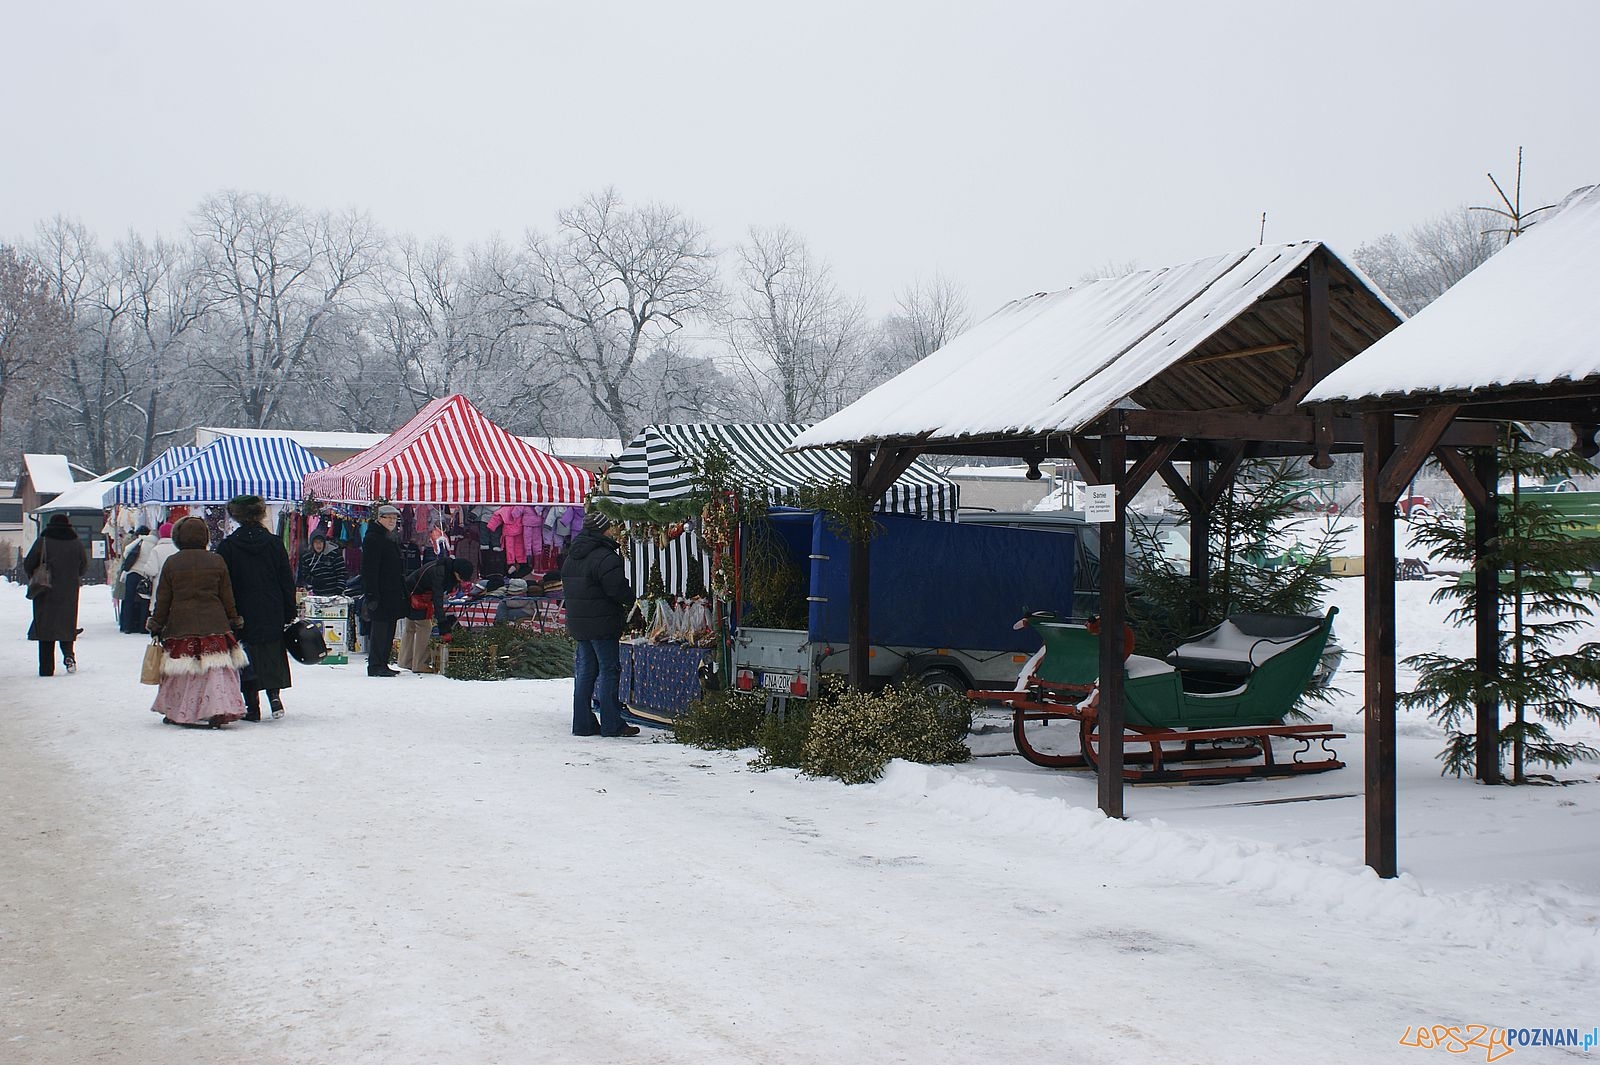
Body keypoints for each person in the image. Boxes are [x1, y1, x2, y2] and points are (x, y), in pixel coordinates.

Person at [147, 515, 247, 728]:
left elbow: (163, 598)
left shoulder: (172, 562)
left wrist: (156, 623)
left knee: (183, 670)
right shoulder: (216, 560)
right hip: (214, 623)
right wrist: (234, 619)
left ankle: (179, 710)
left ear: (178, 537)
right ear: (204, 536)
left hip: (180, 624)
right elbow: (227, 596)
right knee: (214, 671)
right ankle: (217, 709)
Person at [216, 495, 298, 721]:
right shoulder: (273, 543)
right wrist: (289, 609)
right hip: (272, 606)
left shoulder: (228, 546)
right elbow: (285, 579)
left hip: (242, 609)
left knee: (246, 655)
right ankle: (274, 696)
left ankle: (252, 706)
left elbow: (224, 584)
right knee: (272, 651)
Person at [560, 510, 638, 737]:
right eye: (611, 526)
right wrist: (632, 601)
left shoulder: (572, 556)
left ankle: (582, 724)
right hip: (603, 623)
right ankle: (612, 723)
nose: (614, 530)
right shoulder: (606, 557)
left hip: (579, 624)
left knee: (585, 672)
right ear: (603, 529)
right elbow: (617, 589)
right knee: (609, 671)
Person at [24, 513, 88, 677]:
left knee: (46, 628)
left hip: (45, 590)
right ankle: (68, 656)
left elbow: (29, 563)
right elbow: (83, 566)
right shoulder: (76, 543)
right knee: (66, 625)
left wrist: (35, 575)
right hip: (69, 591)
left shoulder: (43, 541)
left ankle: (46, 668)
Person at [397, 556, 475, 672]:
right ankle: (419, 664)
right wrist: (444, 628)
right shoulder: (440, 574)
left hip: (410, 592)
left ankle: (405, 661)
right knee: (424, 626)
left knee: (411, 627)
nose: (461, 580)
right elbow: (438, 603)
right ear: (456, 571)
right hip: (417, 596)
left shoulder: (443, 567)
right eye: (461, 577)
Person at [361, 504, 407, 677]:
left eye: (394, 518)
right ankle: (375, 665)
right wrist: (371, 594)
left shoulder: (389, 537)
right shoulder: (374, 538)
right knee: (380, 630)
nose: (391, 521)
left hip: (392, 592)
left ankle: (383, 663)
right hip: (380, 593)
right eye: (388, 518)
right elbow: (369, 569)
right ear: (380, 518)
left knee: (389, 629)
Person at [117, 525, 160, 634]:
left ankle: (126, 626)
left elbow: (126, 551)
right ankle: (143, 627)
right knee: (145, 601)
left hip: (133, 573)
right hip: (145, 575)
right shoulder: (156, 545)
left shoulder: (140, 541)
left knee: (129, 600)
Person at [299, 532, 348, 596]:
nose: (318, 545)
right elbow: (305, 575)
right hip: (317, 595)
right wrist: (314, 581)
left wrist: (339, 589)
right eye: (316, 542)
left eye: (320, 542)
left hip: (335, 594)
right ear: (312, 544)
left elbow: (342, 573)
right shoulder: (307, 557)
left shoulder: (334, 554)